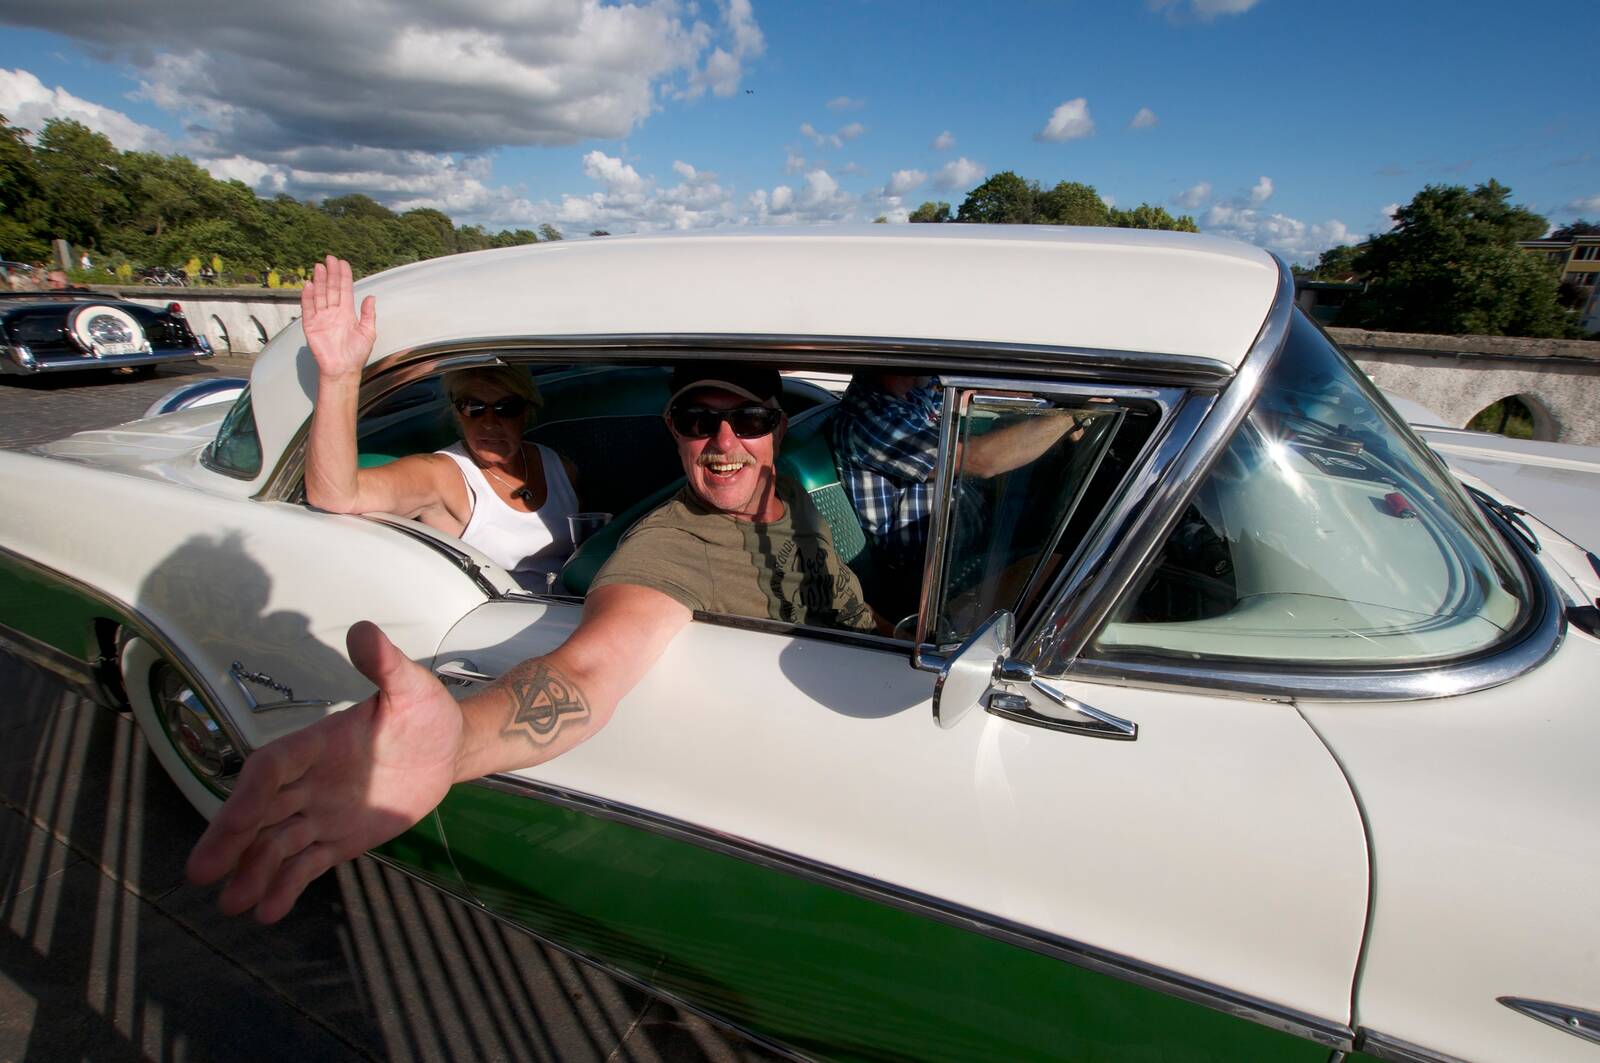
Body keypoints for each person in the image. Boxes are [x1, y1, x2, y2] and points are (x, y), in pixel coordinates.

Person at [186, 362, 872, 923]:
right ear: (674, 430)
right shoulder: (671, 546)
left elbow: (847, 603)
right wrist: (459, 739)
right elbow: (587, 670)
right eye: (698, 421)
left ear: (777, 427)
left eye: (747, 420)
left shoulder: (782, 492)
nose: (723, 442)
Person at [302, 255, 580, 591]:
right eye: (473, 407)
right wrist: (339, 376)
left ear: (526, 410)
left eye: (504, 407)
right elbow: (338, 496)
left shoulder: (558, 467)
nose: (489, 422)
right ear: (456, 412)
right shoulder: (441, 475)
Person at [832, 373, 1082, 613]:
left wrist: (1048, 400)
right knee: (1063, 568)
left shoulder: (913, 392)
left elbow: (976, 390)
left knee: (1065, 552)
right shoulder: (870, 418)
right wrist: (1073, 418)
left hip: (963, 547)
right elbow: (977, 460)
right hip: (930, 577)